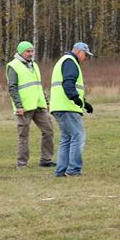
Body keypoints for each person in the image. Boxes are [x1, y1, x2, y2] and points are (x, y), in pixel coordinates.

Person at [6, 40, 55, 168]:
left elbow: (39, 85)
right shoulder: (13, 66)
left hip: (39, 105)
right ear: (21, 52)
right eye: (28, 51)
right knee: (23, 136)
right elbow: (12, 88)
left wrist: (46, 102)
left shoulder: (35, 65)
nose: (31, 53)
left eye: (32, 51)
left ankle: (46, 160)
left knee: (48, 131)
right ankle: (22, 163)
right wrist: (19, 106)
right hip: (24, 108)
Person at [49, 42, 94, 177]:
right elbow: (68, 83)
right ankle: (73, 170)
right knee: (78, 136)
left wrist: (84, 104)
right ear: (79, 51)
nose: (85, 58)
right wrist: (75, 98)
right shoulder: (70, 62)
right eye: (85, 55)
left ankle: (61, 170)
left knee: (66, 138)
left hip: (59, 106)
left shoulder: (63, 61)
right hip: (67, 107)